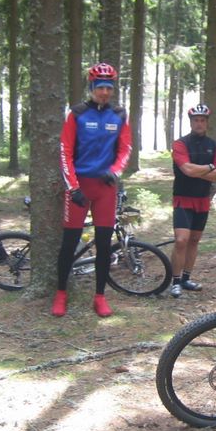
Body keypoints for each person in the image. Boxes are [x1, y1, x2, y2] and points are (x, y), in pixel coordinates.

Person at [51, 63, 131, 318]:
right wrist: (73, 187)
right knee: (69, 243)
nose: (104, 92)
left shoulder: (119, 115)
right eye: (100, 87)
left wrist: (115, 171)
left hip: (106, 188)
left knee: (104, 244)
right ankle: (61, 293)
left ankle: (100, 296)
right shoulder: (77, 114)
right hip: (79, 187)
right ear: (92, 87)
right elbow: (65, 150)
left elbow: (125, 149)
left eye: (109, 88)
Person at [169, 104, 216, 297]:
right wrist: (210, 167)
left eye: (202, 120)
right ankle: (175, 281)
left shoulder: (214, 145)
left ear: (207, 123)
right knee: (181, 240)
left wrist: (197, 171)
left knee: (194, 241)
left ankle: (186, 278)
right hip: (183, 198)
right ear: (191, 122)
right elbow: (187, 170)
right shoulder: (180, 144)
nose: (199, 123)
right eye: (196, 120)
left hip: (202, 199)